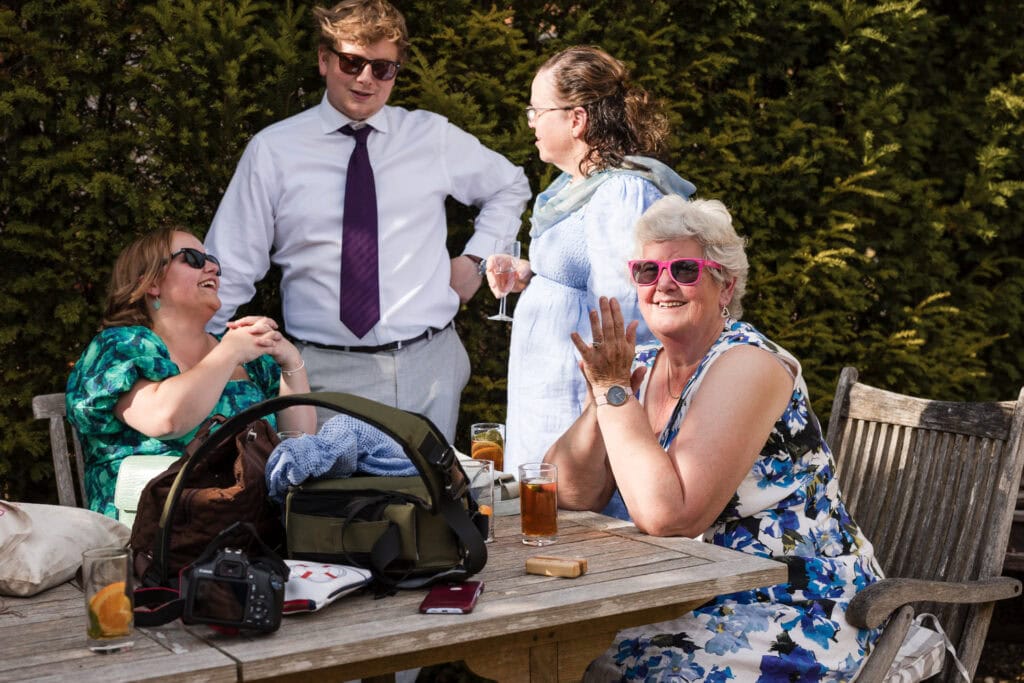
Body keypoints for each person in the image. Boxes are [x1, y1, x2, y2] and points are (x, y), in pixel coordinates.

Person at [546, 196, 884, 679]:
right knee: (567, 649)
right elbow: (570, 492)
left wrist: (615, 393)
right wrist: (604, 393)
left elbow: (670, 516)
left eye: (684, 269)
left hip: (791, 603)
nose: (662, 284)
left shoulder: (747, 363)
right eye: (647, 270)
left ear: (725, 285)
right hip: (689, 588)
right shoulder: (636, 364)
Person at [204, 0, 530, 442]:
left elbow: (510, 185)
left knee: (424, 505)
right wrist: (193, 358)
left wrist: (475, 259)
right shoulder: (274, 151)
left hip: (429, 366)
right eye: (352, 62)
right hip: (321, 372)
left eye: (382, 68)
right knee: (333, 505)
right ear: (324, 59)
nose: (365, 79)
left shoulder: (430, 137)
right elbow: (232, 263)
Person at [486, 46, 695, 486]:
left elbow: (623, 309)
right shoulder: (577, 184)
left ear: (576, 119)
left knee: (578, 524)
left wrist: (603, 409)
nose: (530, 123)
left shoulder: (620, 192)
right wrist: (530, 273)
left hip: (576, 403)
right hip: (547, 398)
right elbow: (582, 269)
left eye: (536, 111)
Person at [66, 229, 315, 518]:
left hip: (251, 522)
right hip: (155, 530)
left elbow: (299, 442)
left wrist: (289, 359)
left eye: (213, 262)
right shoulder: (122, 347)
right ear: (151, 283)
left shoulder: (245, 357)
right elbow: (167, 419)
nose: (212, 267)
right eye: (193, 258)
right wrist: (229, 353)